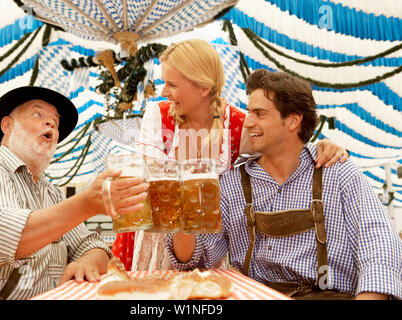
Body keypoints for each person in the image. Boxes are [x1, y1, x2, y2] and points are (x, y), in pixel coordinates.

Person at [111, 39, 349, 272]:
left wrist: (321, 144)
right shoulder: (159, 115)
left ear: (204, 88)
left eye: (172, 84)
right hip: (152, 238)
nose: (164, 91)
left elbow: (282, 144)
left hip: (204, 247)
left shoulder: (236, 124)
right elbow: (145, 182)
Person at [166, 69, 402, 300]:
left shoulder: (337, 171)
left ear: (293, 121)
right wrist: (190, 184)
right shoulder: (231, 183)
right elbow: (193, 259)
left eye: (259, 113)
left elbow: (380, 245)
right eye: (249, 112)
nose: (247, 122)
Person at [0, 86, 149, 300]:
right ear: (7, 125)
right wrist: (86, 205)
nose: (52, 124)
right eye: (37, 114)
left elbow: (94, 246)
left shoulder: (51, 193)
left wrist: (87, 262)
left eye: (55, 121)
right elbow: (0, 243)